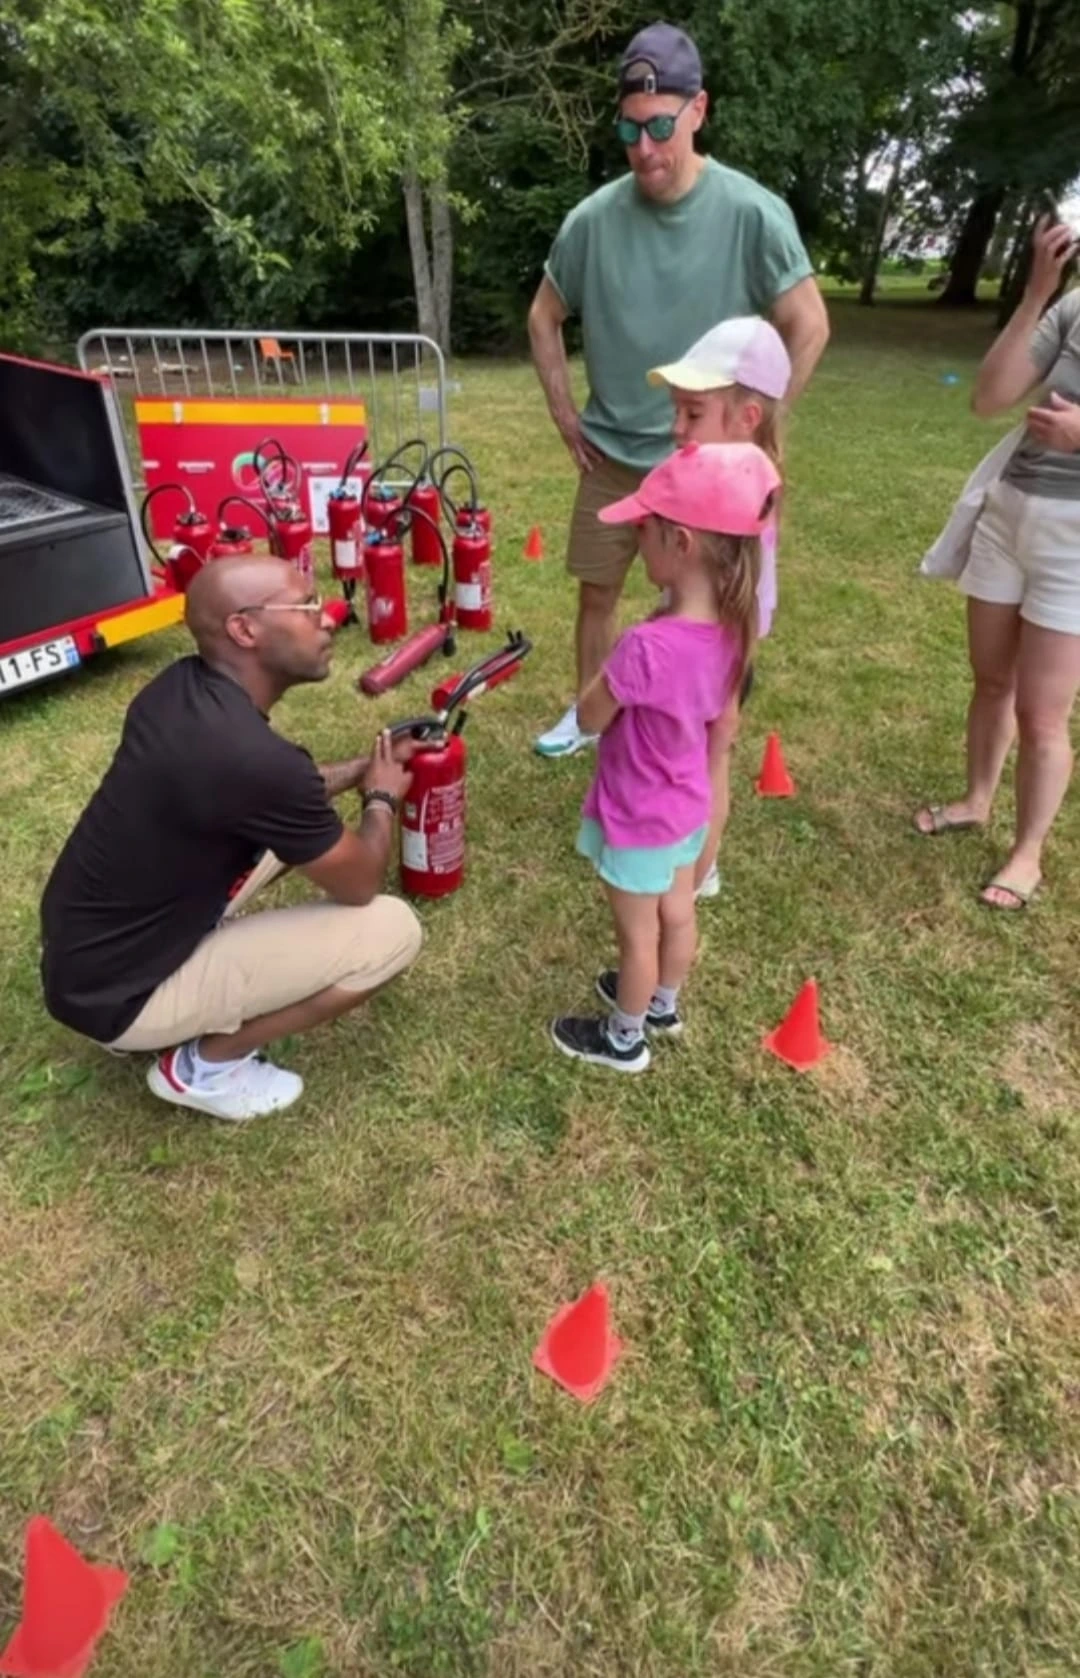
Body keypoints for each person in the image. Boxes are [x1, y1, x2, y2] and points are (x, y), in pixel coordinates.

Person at [528, 19, 828, 761]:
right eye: (629, 129)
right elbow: (543, 315)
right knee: (596, 595)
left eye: (660, 125)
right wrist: (565, 415)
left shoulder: (752, 214)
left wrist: (755, 436)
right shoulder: (592, 221)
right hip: (613, 455)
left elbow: (809, 323)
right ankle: (590, 719)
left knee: (716, 610)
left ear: (699, 110)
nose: (644, 147)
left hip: (710, 465)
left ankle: (702, 742)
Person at [39, 556, 423, 1121]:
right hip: (122, 998)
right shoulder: (252, 763)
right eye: (306, 606)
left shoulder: (176, 689)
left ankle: (178, 1000)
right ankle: (205, 1066)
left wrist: (366, 767)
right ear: (245, 629)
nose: (328, 619)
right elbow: (361, 881)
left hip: (83, 958)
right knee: (392, 932)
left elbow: (281, 796)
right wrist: (382, 797)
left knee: (286, 833)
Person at [549, 441, 781, 1073]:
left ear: (680, 543)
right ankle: (663, 1005)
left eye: (643, 529)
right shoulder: (735, 631)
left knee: (638, 935)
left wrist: (598, 687)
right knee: (678, 913)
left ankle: (624, 1038)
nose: (636, 538)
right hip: (686, 806)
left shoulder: (646, 646)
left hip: (638, 814)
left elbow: (591, 717)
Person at [913, 213, 1080, 910]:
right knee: (991, 680)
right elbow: (989, 398)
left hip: (1074, 542)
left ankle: (1027, 852)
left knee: (1043, 713)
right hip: (1010, 513)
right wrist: (1039, 293)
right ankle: (977, 799)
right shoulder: (1074, 307)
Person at [646, 315, 791, 898]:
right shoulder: (706, 474)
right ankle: (674, 847)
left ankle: (697, 875)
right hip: (689, 638)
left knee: (712, 753)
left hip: (723, 652)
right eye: (676, 412)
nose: (677, 428)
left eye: (693, 413)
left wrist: (728, 698)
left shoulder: (749, 497)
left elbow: (747, 602)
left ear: (747, 417)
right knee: (681, 753)